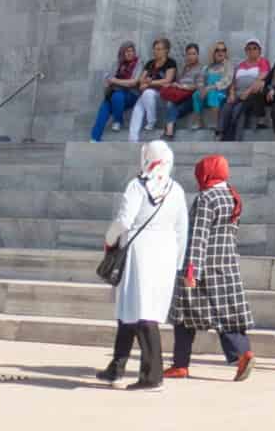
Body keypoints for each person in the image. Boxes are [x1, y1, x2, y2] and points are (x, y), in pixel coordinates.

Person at [96, 140, 190, 390]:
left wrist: (109, 239)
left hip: (141, 252)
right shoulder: (177, 189)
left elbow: (124, 220)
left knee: (141, 310)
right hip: (166, 252)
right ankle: (116, 367)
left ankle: (152, 375)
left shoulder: (137, 186)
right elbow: (182, 229)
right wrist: (178, 262)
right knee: (130, 309)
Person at [168, 154, 253, 380]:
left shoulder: (207, 197)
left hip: (204, 267)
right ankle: (243, 352)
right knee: (225, 314)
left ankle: (181, 364)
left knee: (184, 316)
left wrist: (191, 269)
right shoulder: (231, 196)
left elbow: (199, 235)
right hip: (226, 264)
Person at [125, 37, 179, 144]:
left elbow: (167, 80)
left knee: (147, 93)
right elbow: (141, 79)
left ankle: (152, 121)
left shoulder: (170, 62)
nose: (156, 51)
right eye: (155, 49)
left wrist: (149, 83)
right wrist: (145, 83)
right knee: (137, 109)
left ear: (166, 50)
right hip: (148, 94)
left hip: (163, 96)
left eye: (159, 49)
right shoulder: (150, 63)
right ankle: (132, 139)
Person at [216, 40, 273, 140]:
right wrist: (232, 94)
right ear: (246, 51)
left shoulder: (263, 62)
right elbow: (233, 82)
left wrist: (248, 91)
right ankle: (220, 133)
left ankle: (235, 138)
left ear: (259, 50)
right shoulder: (240, 64)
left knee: (238, 109)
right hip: (237, 93)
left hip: (252, 94)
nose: (251, 50)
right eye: (249, 48)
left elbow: (262, 78)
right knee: (226, 107)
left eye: (254, 48)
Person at [91, 41, 143, 141]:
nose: (129, 53)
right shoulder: (117, 64)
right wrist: (115, 82)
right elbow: (106, 80)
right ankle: (94, 139)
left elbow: (133, 83)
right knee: (103, 110)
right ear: (122, 53)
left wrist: (114, 80)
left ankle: (118, 120)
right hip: (113, 93)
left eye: (132, 51)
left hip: (131, 95)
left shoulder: (139, 63)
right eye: (126, 51)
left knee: (117, 95)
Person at [187, 41, 233, 134]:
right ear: (213, 52)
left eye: (223, 50)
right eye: (217, 50)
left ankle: (215, 122)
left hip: (221, 93)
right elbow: (200, 79)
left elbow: (227, 80)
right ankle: (199, 121)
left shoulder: (228, 65)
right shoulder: (207, 67)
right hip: (206, 91)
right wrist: (201, 88)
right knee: (196, 95)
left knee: (212, 94)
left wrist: (210, 88)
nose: (221, 52)